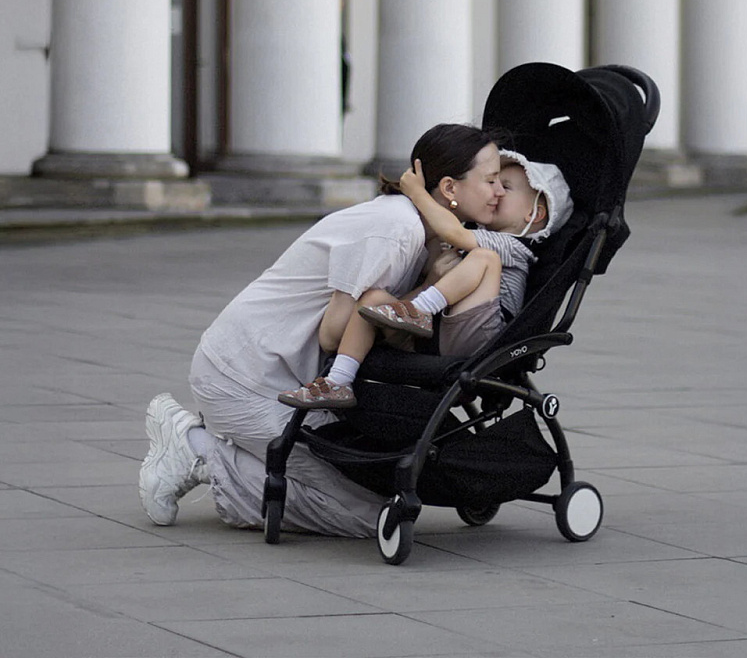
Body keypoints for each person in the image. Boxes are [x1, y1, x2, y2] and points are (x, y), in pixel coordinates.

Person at [138, 123, 507, 537]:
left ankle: (231, 455)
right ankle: (197, 449)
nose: (500, 192)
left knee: (374, 495)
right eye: (491, 180)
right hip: (243, 378)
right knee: (366, 516)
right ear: (449, 187)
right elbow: (333, 334)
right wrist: (427, 289)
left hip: (288, 379)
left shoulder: (423, 233)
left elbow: (383, 329)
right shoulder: (395, 228)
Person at [278, 150, 573, 410]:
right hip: (437, 333)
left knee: (486, 259)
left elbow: (454, 233)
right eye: (493, 183)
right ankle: (338, 380)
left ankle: (417, 310)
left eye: (505, 187)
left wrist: (418, 193)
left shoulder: (514, 248)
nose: (496, 192)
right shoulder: (476, 238)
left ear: (534, 213)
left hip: (481, 336)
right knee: (373, 300)